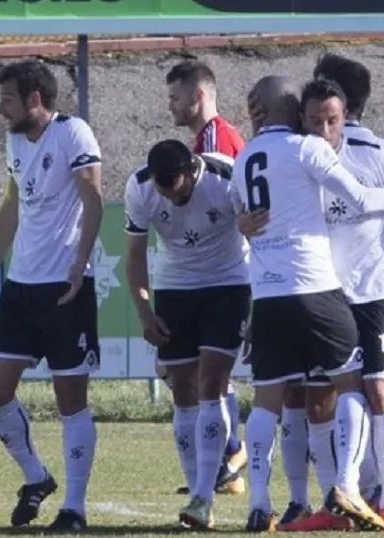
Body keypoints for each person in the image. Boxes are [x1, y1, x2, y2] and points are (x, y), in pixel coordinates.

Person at [233, 75, 384, 532]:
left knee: (272, 397)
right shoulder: (307, 151)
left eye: (333, 120)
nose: (324, 129)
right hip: (316, 287)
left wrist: (242, 223)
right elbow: (364, 198)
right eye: (314, 119)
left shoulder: (246, 155)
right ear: (296, 114)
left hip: (276, 293)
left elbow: (238, 212)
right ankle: (340, 490)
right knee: (343, 388)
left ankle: (265, 504)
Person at [0, 60, 104, 533]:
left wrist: (78, 263)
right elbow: (12, 204)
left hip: (65, 286)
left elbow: (93, 199)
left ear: (34, 99)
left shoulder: (73, 133)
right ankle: (36, 477)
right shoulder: (13, 140)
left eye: (6, 98)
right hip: (21, 287)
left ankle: (74, 507)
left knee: (70, 395)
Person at [311, 52, 384, 517]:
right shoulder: (306, 152)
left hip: (363, 291)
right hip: (327, 290)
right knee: (351, 394)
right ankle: (351, 498)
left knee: (366, 392)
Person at [123, 140, 251, 529]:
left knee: (211, 382)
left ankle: (203, 497)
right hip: (176, 287)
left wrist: (261, 305)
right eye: (162, 190)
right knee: (182, 389)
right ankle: (198, 488)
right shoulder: (140, 187)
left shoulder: (227, 178)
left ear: (191, 171)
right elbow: (133, 256)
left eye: (174, 188)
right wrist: (145, 313)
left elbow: (260, 240)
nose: (168, 196)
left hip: (228, 284)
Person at [164, 60, 248, 494]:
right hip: (215, 276)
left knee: (202, 377)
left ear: (198, 96)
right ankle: (223, 463)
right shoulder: (204, 138)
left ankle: (229, 456)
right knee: (201, 376)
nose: (171, 107)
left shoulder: (213, 141)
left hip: (223, 275)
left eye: (176, 97)